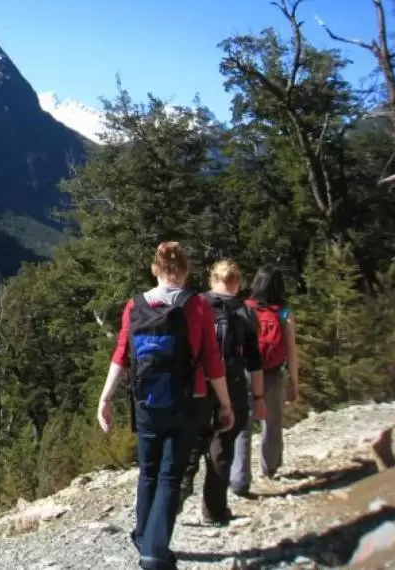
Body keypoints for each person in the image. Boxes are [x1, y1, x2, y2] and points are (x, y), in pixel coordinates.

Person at [98, 241, 234, 570]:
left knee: (148, 472)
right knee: (170, 475)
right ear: (186, 272)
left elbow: (122, 354)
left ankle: (144, 537)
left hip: (146, 401)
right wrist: (226, 404)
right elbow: (213, 361)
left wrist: (105, 398)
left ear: (155, 270)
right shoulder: (198, 306)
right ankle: (155, 551)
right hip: (189, 401)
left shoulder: (135, 305)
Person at [180, 260, 268, 524]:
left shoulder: (193, 304)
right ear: (238, 282)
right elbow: (254, 361)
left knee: (191, 440)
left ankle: (179, 491)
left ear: (212, 279)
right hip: (232, 385)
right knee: (223, 448)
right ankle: (214, 511)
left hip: (196, 383)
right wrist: (260, 399)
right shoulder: (246, 312)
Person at [231, 266, 299, 495]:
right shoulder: (283, 313)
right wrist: (294, 382)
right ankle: (269, 468)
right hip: (272, 374)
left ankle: (239, 477)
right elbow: (291, 350)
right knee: (272, 424)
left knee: (242, 426)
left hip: (244, 373)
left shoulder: (244, 308)